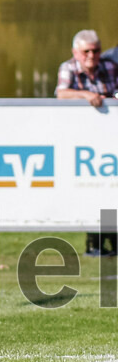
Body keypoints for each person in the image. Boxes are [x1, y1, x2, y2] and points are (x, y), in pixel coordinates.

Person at [55, 29, 118, 255]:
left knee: (112, 192)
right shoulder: (68, 68)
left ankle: (114, 241)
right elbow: (61, 94)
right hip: (84, 144)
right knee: (91, 194)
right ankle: (95, 243)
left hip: (110, 143)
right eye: (86, 51)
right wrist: (85, 96)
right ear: (76, 52)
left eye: (96, 50)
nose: (92, 55)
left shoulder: (110, 67)